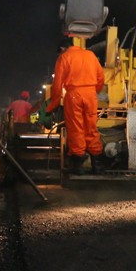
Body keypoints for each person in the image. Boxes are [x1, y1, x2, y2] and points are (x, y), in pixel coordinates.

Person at [47, 36, 106, 174]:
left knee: (76, 129)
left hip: (74, 96)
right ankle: (97, 165)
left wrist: (52, 105)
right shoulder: (90, 55)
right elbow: (101, 77)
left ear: (62, 49)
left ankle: (78, 166)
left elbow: (57, 85)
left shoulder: (64, 57)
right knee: (91, 128)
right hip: (91, 95)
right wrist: (93, 91)